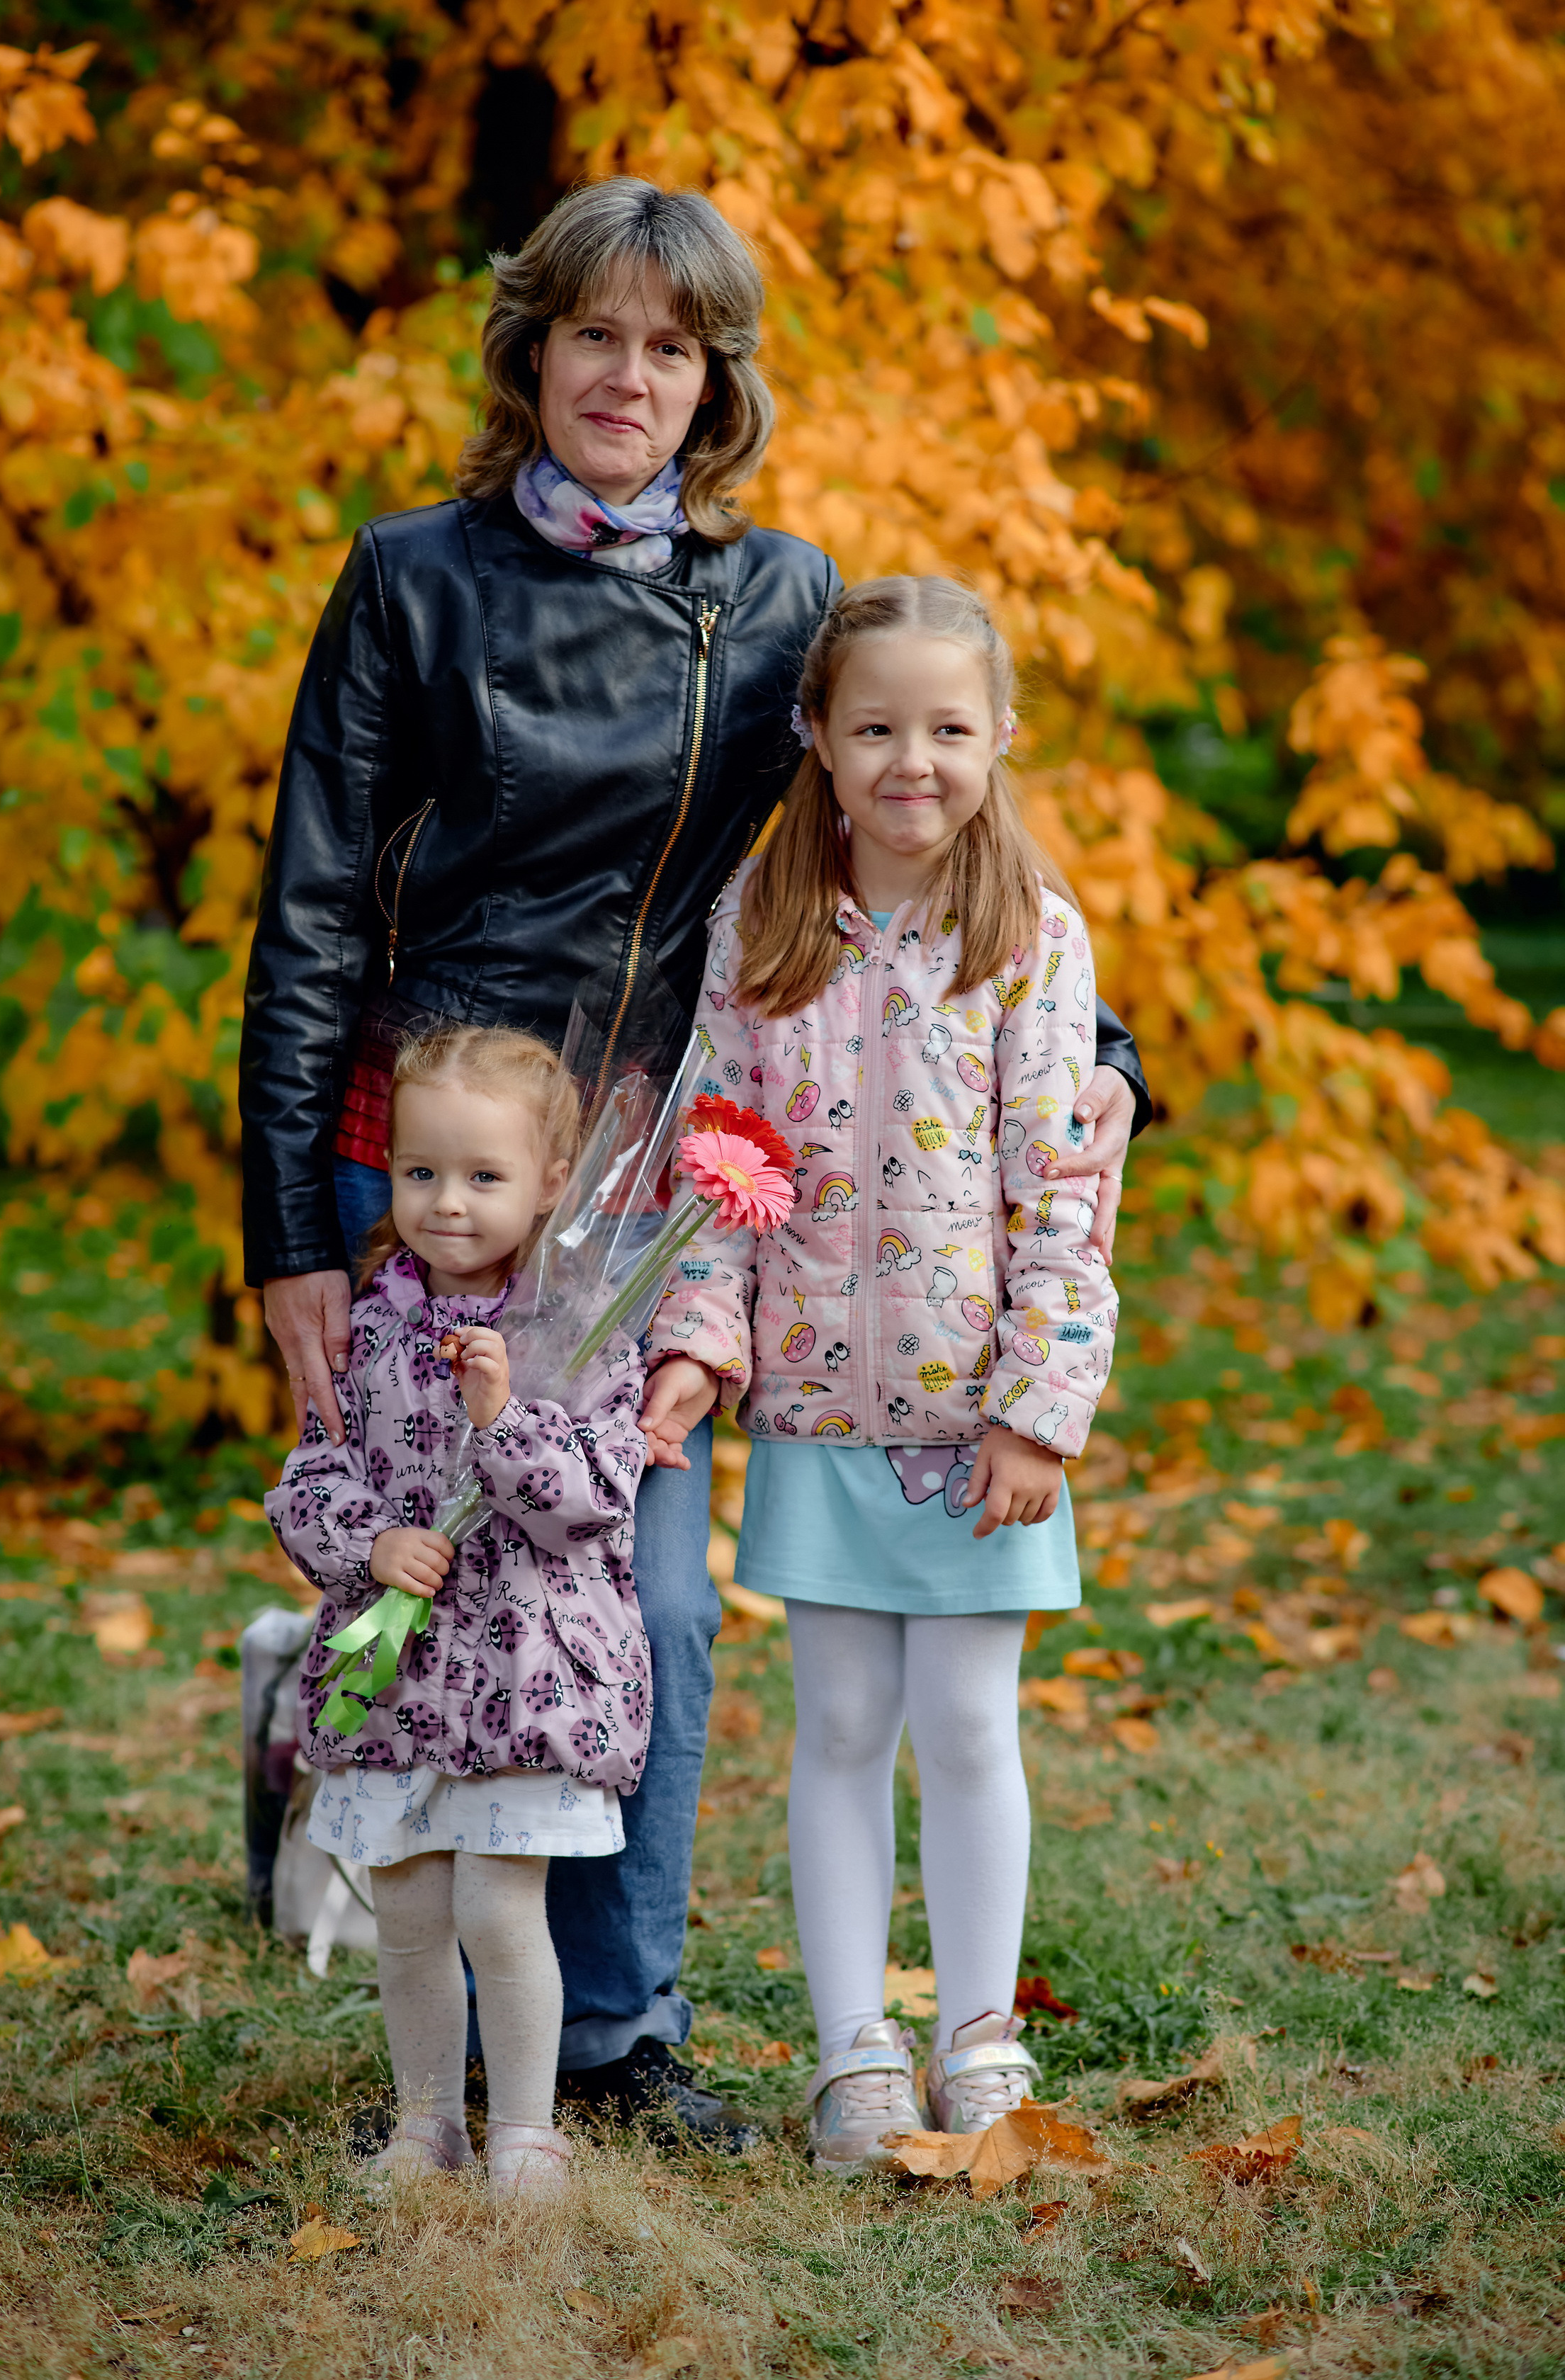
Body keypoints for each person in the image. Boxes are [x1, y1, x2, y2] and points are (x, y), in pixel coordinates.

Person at [241, 176, 1151, 2146]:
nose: (628, 377)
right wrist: (285, 1231)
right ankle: (336, 1754)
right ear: (533, 352)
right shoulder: (411, 580)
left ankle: (605, 2043)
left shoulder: (777, 603)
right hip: (436, 1164)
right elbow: (312, 906)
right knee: (419, 1572)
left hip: (661, 1176)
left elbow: (919, 832)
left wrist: (1105, 1055)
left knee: (633, 1609)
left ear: (713, 379)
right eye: (595, 335)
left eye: (671, 345)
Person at [646, 577, 1116, 2175]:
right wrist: (703, 1342)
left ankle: (976, 2034)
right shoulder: (761, 923)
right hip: (815, 1414)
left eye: (947, 728)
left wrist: (1036, 1409)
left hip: (975, 1424)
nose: (911, 760)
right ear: (822, 741)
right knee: (840, 1720)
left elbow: (1065, 1189)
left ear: (999, 739)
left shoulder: (1029, 934)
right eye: (876, 728)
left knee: (969, 1724)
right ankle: (855, 2048)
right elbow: (717, 1165)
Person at [264, 1024, 650, 2200]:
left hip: (523, 1673)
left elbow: (596, 1502)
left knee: (496, 1899)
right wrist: (368, 1544)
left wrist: (503, 1421)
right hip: (398, 1685)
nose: (447, 1203)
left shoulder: (578, 1338)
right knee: (412, 1906)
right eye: (422, 1172)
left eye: (484, 1177)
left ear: (548, 1185)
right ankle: (426, 2122)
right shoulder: (364, 1325)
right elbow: (309, 1478)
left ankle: (527, 2132)